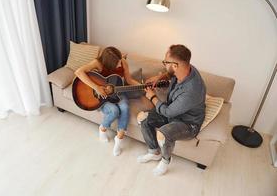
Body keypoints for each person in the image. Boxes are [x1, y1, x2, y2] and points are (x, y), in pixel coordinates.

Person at [137, 44, 206, 176]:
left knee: (162, 134)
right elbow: (170, 74)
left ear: (175, 65)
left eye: (165, 62)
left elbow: (168, 112)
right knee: (142, 117)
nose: (164, 64)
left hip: (188, 123)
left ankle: (165, 160)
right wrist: (159, 78)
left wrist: (152, 97)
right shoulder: (186, 68)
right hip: (174, 111)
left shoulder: (191, 91)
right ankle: (154, 152)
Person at [75, 47, 140, 156]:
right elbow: (78, 72)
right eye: (117, 63)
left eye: (120, 62)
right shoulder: (98, 63)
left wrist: (144, 86)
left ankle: (119, 140)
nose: (120, 64)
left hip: (118, 92)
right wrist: (96, 87)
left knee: (125, 107)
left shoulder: (123, 62)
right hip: (102, 97)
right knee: (114, 111)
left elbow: (129, 80)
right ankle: (103, 128)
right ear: (109, 62)